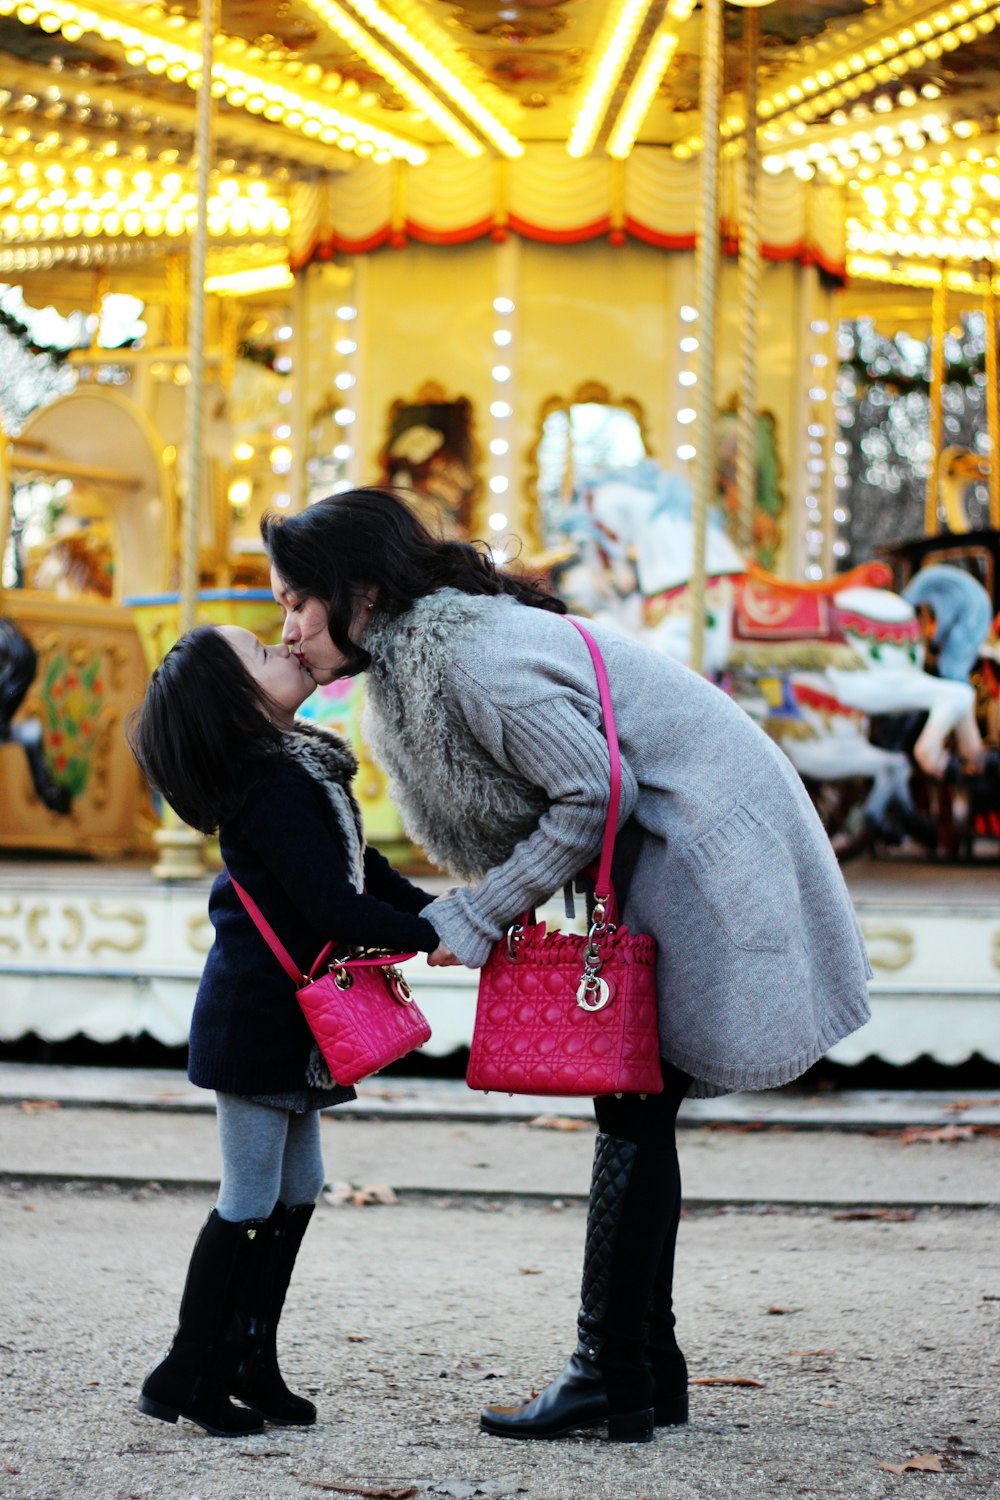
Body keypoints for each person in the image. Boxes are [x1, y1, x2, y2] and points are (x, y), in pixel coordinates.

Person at [262, 487, 872, 1446]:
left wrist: (479, 910)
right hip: (680, 837)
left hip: (703, 843)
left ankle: (610, 1372)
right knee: (640, 1107)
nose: (288, 625)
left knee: (634, 1107)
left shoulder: (476, 659)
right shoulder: (442, 653)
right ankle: (642, 1367)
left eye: (298, 600)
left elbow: (592, 793)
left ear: (362, 595)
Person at [126, 623, 443, 1437]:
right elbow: (333, 906)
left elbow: (360, 871)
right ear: (237, 703)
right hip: (260, 1023)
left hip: (297, 1021)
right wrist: (440, 935)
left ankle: (250, 1360)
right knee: (249, 1196)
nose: (286, 647)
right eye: (263, 654)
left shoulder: (305, 768)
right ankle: (186, 1371)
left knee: (297, 1191)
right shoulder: (266, 786)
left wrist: (441, 912)